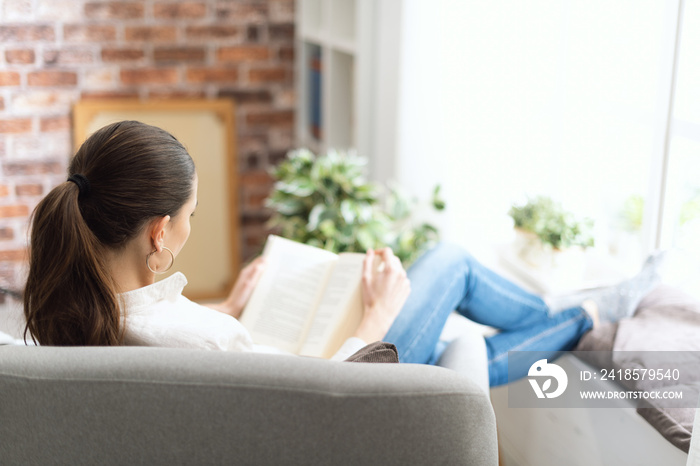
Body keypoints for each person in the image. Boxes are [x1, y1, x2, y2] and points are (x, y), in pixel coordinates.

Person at [23, 121, 661, 387]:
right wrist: (378, 317)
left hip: (287, 372)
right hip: (352, 379)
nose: (189, 230)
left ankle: (580, 316)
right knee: (450, 262)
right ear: (159, 231)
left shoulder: (67, 314)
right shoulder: (203, 341)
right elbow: (323, 392)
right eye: (190, 218)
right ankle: (580, 315)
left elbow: (154, 331)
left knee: (451, 355)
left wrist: (229, 304)